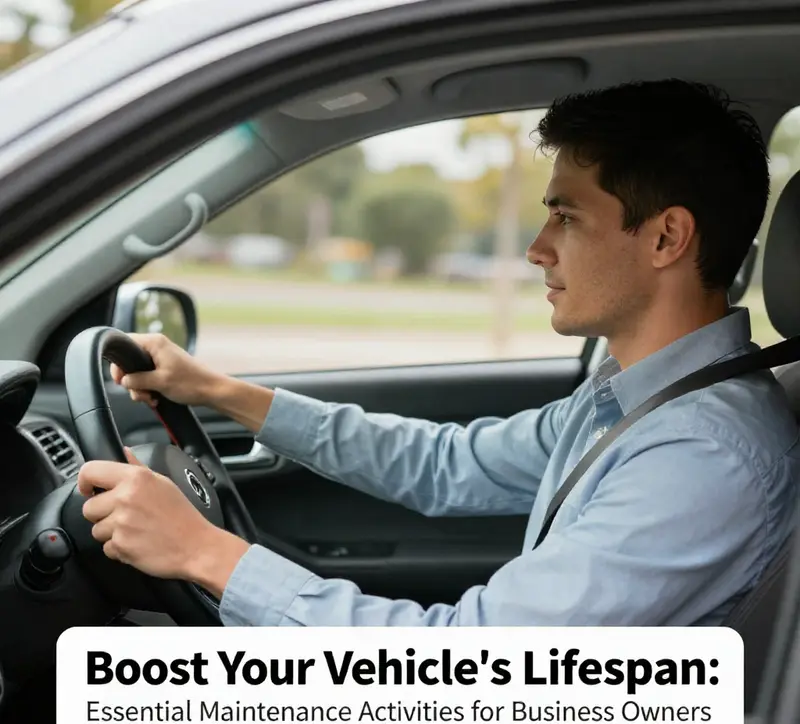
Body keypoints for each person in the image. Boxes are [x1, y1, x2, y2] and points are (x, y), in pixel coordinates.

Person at [78, 79, 800, 627]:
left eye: (566, 215)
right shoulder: (636, 396)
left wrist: (204, 554)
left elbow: (469, 670)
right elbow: (445, 464)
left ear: (666, 239)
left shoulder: (701, 453)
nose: (536, 248)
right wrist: (218, 391)